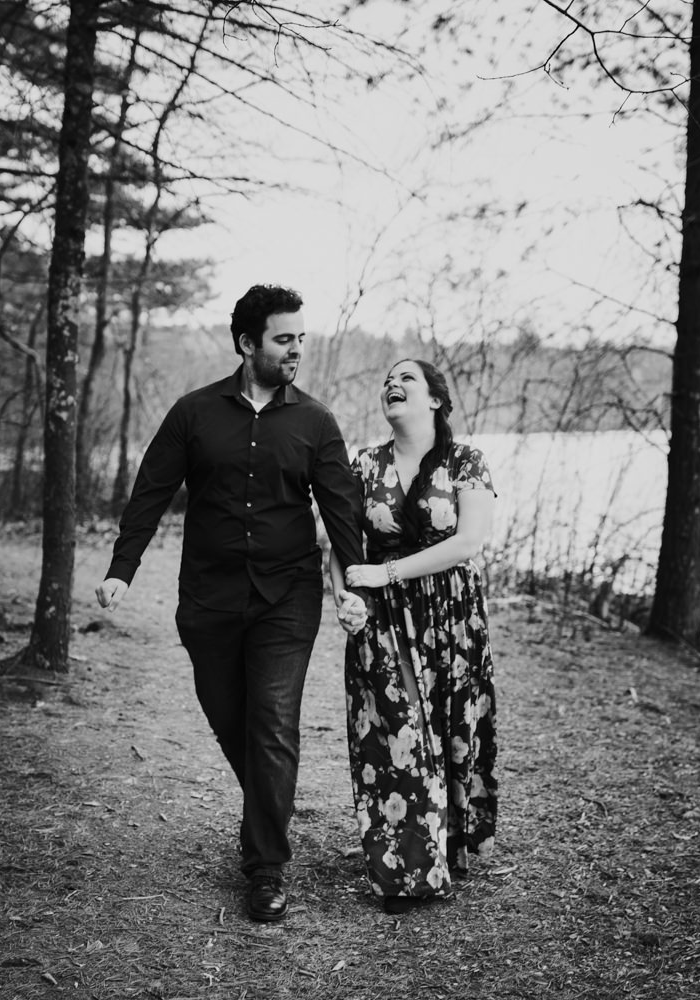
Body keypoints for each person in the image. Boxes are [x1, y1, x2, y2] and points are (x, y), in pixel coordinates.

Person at [95, 284, 367, 924]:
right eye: (283, 338)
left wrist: (351, 585)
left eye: (301, 337)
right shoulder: (193, 414)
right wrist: (122, 570)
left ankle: (266, 866)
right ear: (247, 343)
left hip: (286, 599)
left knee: (272, 723)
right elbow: (150, 491)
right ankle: (269, 807)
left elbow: (341, 510)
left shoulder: (316, 422)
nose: (296, 349)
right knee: (230, 720)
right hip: (209, 600)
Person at [328, 358, 499, 915]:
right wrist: (346, 599)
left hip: (452, 617)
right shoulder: (365, 464)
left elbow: (468, 541)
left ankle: (450, 842)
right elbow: (341, 544)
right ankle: (407, 871)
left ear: (434, 400)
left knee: (452, 733)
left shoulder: (465, 460)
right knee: (395, 734)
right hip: (382, 620)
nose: (392, 385)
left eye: (407, 378)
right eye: (387, 379)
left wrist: (389, 572)